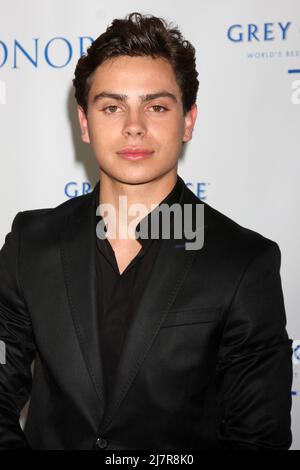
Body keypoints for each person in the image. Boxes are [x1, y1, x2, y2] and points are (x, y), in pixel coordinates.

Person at [0, 12, 293, 450]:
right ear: (84, 122)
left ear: (189, 120)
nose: (133, 126)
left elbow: (258, 437)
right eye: (112, 106)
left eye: (156, 106)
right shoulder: (31, 242)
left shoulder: (243, 261)